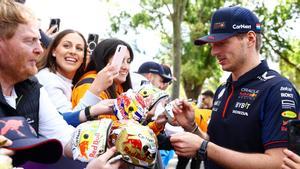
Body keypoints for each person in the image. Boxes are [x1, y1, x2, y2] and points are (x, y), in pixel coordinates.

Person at [170, 5, 300, 169]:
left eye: (222, 42)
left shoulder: (277, 89)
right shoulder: (222, 89)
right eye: (212, 44)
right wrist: (191, 127)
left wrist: (204, 148)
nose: (213, 52)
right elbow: (216, 145)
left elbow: (278, 162)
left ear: (250, 39)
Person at [36, 29, 116, 126]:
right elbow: (67, 122)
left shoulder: (70, 80)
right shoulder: (47, 78)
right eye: (66, 46)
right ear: (53, 51)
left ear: (84, 57)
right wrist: (96, 88)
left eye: (79, 48)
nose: (73, 51)